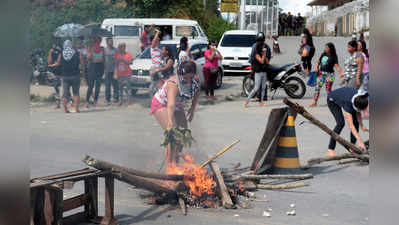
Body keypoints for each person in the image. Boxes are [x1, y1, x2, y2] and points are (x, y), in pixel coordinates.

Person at [150, 61, 200, 170]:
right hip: (162, 103)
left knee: (183, 134)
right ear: (181, 74)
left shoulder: (195, 81)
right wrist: (170, 121)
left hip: (177, 105)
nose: (187, 80)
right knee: (172, 133)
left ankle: (175, 164)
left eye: (189, 78)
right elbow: (171, 105)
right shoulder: (173, 83)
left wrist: (192, 109)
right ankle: (169, 168)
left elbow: (197, 92)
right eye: (185, 78)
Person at [326, 87, 369, 157]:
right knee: (340, 123)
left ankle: (352, 147)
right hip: (332, 100)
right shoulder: (348, 103)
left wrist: (362, 126)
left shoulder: (361, 97)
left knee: (356, 123)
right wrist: (360, 140)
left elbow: (358, 113)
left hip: (345, 96)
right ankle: (330, 149)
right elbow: (351, 126)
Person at [48, 40, 84, 113]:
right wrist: (82, 72)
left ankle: (65, 109)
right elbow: (82, 63)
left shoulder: (62, 53)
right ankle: (76, 109)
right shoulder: (77, 53)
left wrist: (51, 65)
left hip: (65, 76)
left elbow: (58, 63)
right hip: (75, 75)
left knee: (65, 93)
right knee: (76, 93)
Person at [310, 43, 344, 107]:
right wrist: (316, 67)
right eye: (325, 47)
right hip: (321, 74)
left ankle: (330, 102)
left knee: (328, 89)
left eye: (327, 48)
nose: (325, 49)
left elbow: (336, 66)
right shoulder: (323, 54)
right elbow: (318, 62)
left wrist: (341, 73)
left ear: (330, 49)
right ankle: (314, 102)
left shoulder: (334, 56)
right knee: (317, 87)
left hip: (330, 75)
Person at [245, 41, 269, 107]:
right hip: (258, 73)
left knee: (263, 87)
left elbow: (267, 62)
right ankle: (247, 100)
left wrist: (265, 55)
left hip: (264, 72)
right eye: (263, 46)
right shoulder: (256, 54)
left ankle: (261, 102)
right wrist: (263, 54)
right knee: (256, 88)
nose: (264, 47)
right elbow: (261, 61)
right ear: (260, 47)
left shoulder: (263, 53)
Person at [85, 36, 105, 108]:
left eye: (99, 40)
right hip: (92, 67)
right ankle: (87, 101)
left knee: (98, 86)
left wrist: (104, 69)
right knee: (91, 86)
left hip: (100, 67)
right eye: (97, 40)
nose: (98, 41)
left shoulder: (102, 48)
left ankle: (95, 101)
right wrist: (91, 52)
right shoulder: (90, 48)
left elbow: (103, 59)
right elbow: (88, 57)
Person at [47, 41, 62, 108]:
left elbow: (59, 62)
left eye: (54, 44)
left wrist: (52, 65)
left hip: (61, 71)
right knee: (56, 87)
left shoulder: (60, 50)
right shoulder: (51, 51)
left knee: (64, 87)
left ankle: (70, 100)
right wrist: (50, 53)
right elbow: (49, 61)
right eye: (53, 44)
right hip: (54, 71)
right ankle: (58, 102)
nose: (54, 46)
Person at [104, 37, 119, 105]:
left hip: (114, 70)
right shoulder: (104, 50)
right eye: (110, 41)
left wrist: (117, 70)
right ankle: (107, 99)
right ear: (107, 42)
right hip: (107, 70)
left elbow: (118, 60)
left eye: (112, 41)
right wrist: (104, 69)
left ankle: (116, 98)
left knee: (115, 85)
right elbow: (103, 60)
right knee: (107, 85)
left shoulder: (116, 50)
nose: (111, 43)